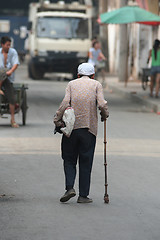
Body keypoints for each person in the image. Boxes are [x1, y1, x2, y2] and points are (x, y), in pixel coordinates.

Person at [54, 63, 109, 203]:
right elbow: (102, 104)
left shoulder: (71, 84)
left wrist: (57, 120)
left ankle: (69, 188)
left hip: (71, 129)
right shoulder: (96, 84)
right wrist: (104, 115)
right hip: (89, 130)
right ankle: (83, 196)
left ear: (78, 75)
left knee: (69, 159)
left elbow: (65, 102)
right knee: (86, 161)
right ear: (93, 75)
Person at [0, 36, 20, 127]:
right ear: (2, 45)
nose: (8, 47)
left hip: (8, 78)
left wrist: (10, 71)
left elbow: (15, 64)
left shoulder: (13, 52)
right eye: (7, 45)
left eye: (9, 45)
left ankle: (12, 120)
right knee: (2, 72)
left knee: (12, 99)